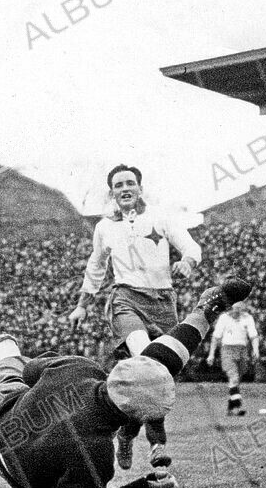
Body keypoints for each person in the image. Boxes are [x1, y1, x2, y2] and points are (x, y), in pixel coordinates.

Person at [0, 277, 252, 488]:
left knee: (1, 346)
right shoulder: (97, 453)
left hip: (2, 419)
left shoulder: (79, 368)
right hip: (18, 472)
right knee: (151, 372)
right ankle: (205, 312)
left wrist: (51, 396)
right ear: (135, 419)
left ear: (118, 372)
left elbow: (31, 371)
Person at [68, 164, 202, 470]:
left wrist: (187, 262)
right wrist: (82, 305)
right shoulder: (105, 227)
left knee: (155, 376)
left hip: (163, 303)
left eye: (130, 183)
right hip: (126, 299)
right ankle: (157, 445)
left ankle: (127, 434)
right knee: (148, 363)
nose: (125, 188)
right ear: (112, 192)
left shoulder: (161, 216)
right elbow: (96, 266)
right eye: (118, 185)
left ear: (140, 188)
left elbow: (191, 246)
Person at [206, 301, 259, 416]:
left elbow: (253, 335)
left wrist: (256, 350)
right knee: (234, 377)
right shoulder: (224, 318)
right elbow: (216, 337)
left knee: (236, 380)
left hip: (242, 350)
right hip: (227, 350)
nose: (237, 310)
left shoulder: (247, 318)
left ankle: (230, 409)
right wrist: (211, 354)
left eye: (240, 308)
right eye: (235, 308)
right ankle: (237, 408)